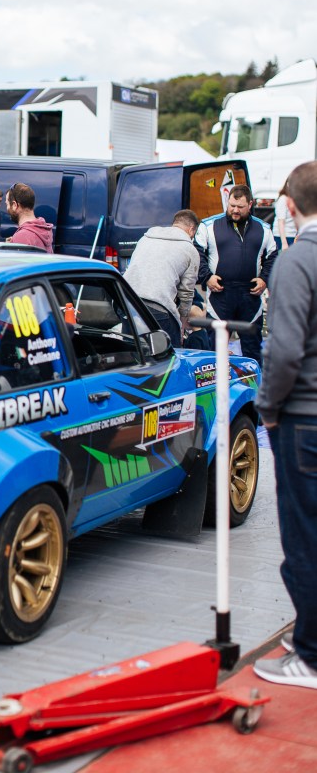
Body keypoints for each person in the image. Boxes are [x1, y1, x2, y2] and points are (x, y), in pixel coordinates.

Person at [253, 161, 317, 689]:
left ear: (289, 205)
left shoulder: (297, 260)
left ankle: (311, 656)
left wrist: (268, 406)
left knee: (304, 536)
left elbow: (285, 349)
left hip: (304, 419)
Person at [194, 184, 276, 366]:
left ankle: (254, 382)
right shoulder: (208, 225)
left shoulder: (264, 228)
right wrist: (206, 277)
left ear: (250, 204)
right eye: (232, 206)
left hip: (251, 295)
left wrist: (264, 279)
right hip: (220, 294)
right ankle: (216, 382)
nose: (235, 210)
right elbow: (197, 253)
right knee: (216, 348)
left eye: (240, 207)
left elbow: (272, 256)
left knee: (252, 349)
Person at [124, 210, 199, 346]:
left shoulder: (145, 238)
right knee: (170, 353)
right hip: (158, 306)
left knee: (130, 351)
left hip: (127, 301)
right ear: (191, 229)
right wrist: (182, 325)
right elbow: (186, 293)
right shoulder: (190, 250)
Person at [5, 182, 54, 252]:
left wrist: (17, 241)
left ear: (14, 205)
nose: (7, 208)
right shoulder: (43, 230)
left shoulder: (23, 236)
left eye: (7, 204)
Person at [273, 179, 297, 252]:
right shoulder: (283, 199)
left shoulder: (294, 199)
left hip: (292, 235)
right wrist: (284, 243)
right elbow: (281, 222)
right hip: (282, 237)